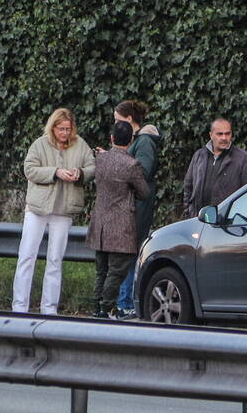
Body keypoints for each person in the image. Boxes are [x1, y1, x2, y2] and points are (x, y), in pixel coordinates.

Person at [12, 108, 95, 315]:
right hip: (38, 208)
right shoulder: (40, 144)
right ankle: (19, 306)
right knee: (26, 256)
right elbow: (29, 169)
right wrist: (55, 173)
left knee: (55, 259)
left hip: (64, 209)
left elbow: (92, 167)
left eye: (68, 129)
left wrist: (80, 173)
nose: (65, 133)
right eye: (61, 129)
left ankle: (49, 308)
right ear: (53, 127)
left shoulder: (81, 144)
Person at [86, 121, 149, 318]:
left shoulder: (100, 160)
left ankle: (97, 306)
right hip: (121, 225)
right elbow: (144, 192)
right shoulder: (132, 164)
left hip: (100, 224)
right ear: (131, 140)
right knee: (117, 271)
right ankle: (107, 308)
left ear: (112, 138)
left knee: (101, 270)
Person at [112, 100, 163, 319]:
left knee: (129, 254)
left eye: (117, 120)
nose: (115, 124)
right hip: (133, 205)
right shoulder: (140, 140)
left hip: (137, 207)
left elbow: (141, 170)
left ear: (129, 119)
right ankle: (124, 303)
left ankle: (127, 304)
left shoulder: (143, 141)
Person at [182, 118, 247, 218]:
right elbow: (188, 187)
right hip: (198, 221)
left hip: (227, 223)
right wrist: (189, 213)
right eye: (220, 134)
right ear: (211, 135)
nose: (224, 138)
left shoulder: (242, 159)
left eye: (227, 134)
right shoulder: (199, 156)